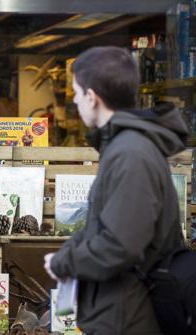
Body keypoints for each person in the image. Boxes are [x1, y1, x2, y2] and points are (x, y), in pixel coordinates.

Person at [43, 46, 188, 334]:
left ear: (92, 97)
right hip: (120, 309)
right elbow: (108, 223)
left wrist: (64, 261)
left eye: (75, 92)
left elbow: (121, 245)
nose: (73, 100)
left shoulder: (131, 153)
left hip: (129, 314)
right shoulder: (124, 147)